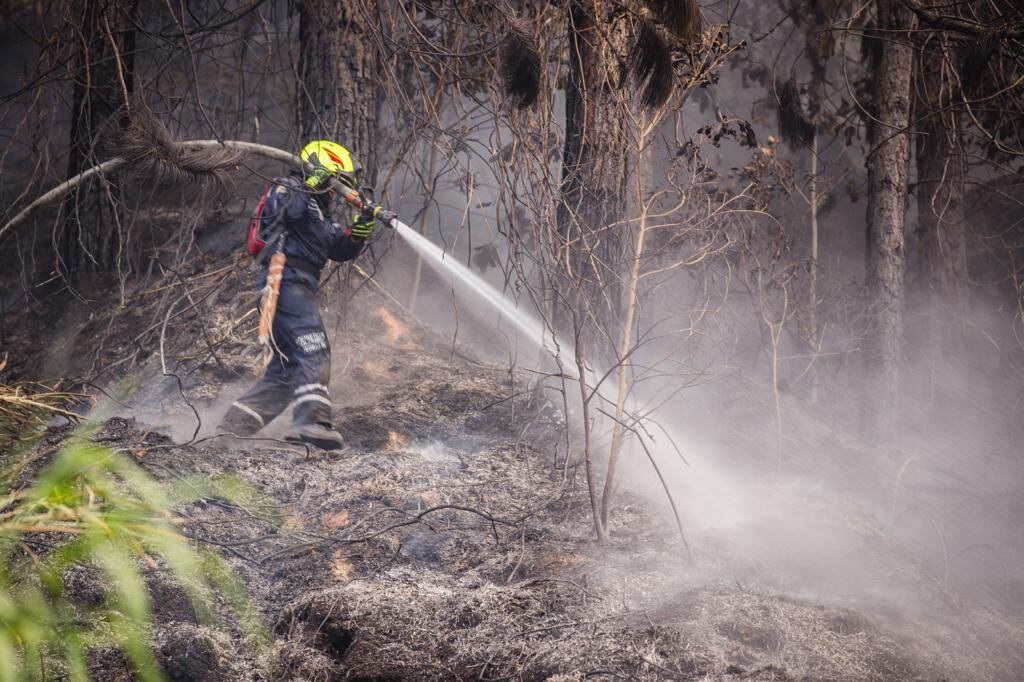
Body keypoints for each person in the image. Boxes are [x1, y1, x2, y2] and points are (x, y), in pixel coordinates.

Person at [218, 140, 375, 450]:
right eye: (338, 184)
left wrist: (362, 227)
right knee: (314, 348)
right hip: (284, 282)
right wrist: (309, 186)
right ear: (326, 170)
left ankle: (232, 429)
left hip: (298, 287)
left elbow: (338, 247)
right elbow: (283, 213)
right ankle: (312, 423)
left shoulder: (320, 213)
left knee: (288, 372)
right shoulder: (288, 187)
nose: (337, 192)